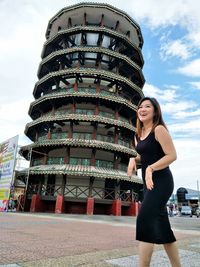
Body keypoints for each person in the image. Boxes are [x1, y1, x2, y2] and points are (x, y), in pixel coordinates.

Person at [127, 97, 181, 267]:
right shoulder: (138, 134)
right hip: (148, 184)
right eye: (140, 107)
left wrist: (150, 168)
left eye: (147, 107)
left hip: (162, 182)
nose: (142, 109)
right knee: (164, 230)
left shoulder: (159, 130)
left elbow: (172, 155)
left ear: (155, 111)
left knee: (144, 220)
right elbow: (146, 156)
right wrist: (134, 160)